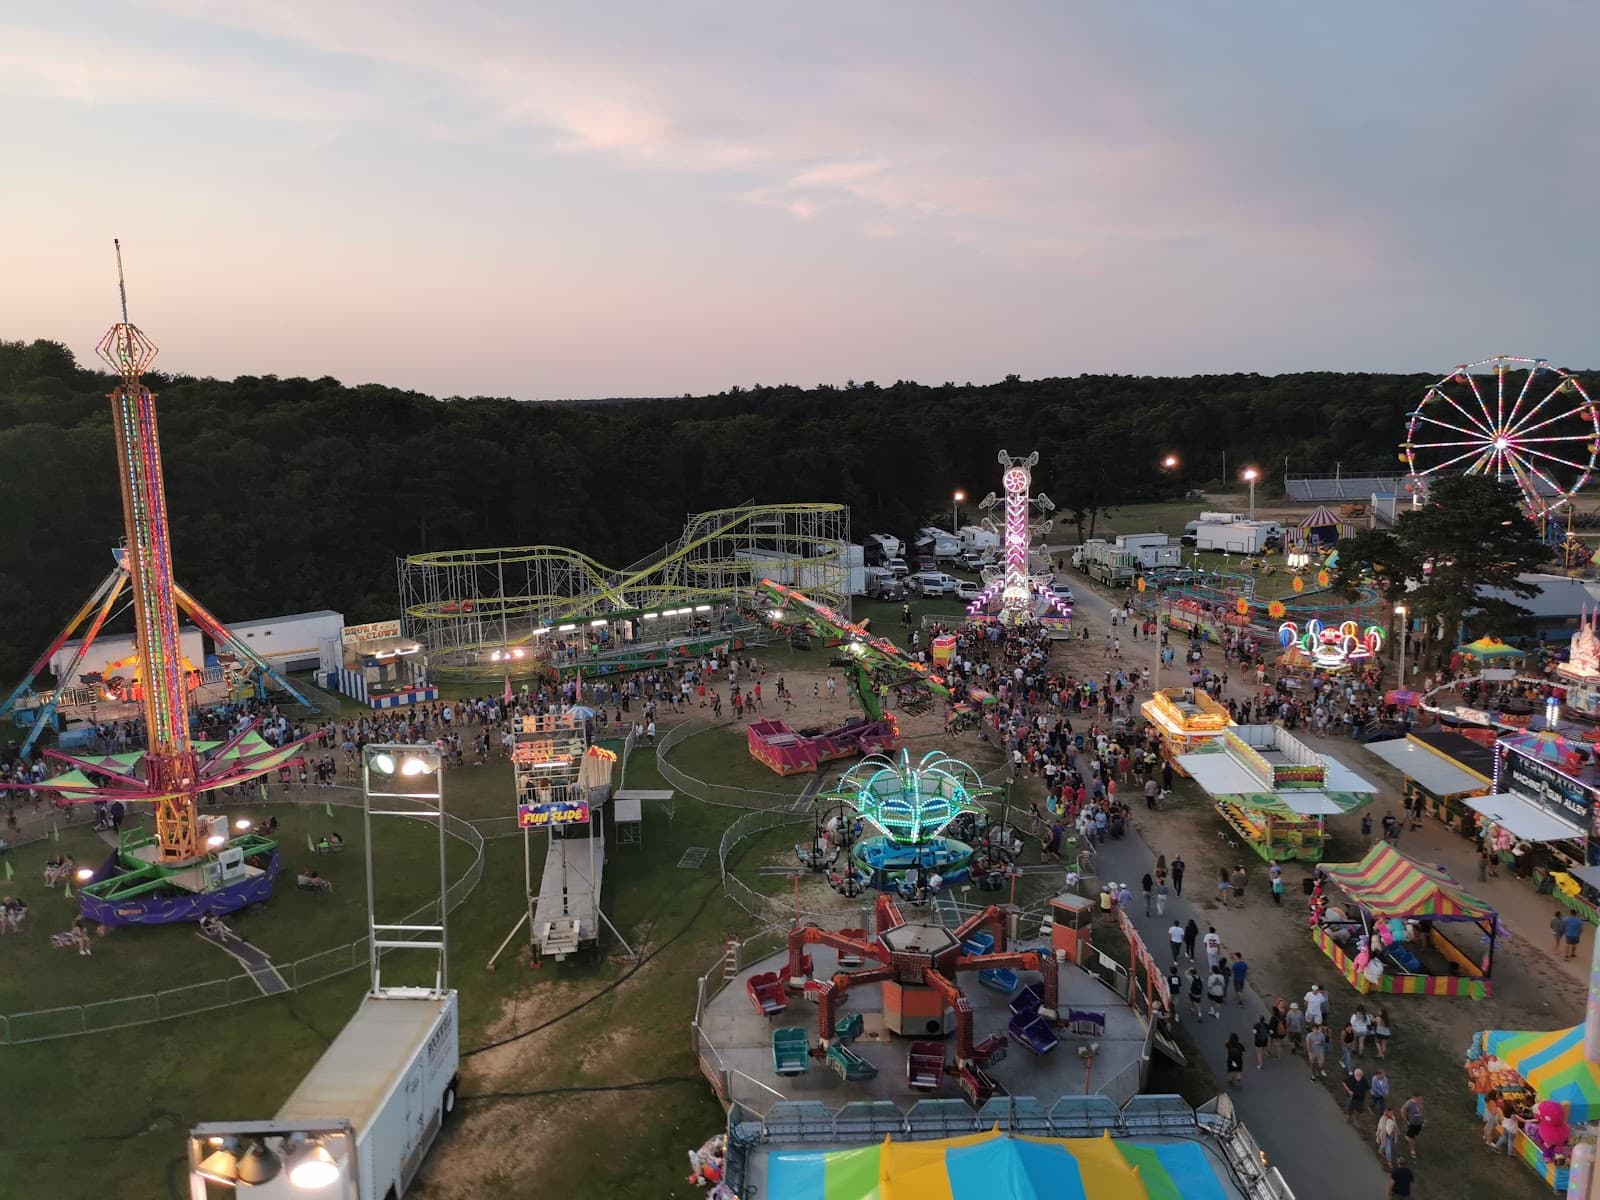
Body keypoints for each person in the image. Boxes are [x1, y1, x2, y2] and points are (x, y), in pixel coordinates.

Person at [1401, 1093, 1424, 1159]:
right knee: (1412, 1138)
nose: (1420, 1100)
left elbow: (1421, 1110)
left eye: (1421, 1098)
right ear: (1414, 1097)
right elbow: (1402, 1111)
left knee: (1415, 1135)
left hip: (1418, 1123)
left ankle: (1407, 1137)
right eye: (1419, 1098)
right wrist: (1406, 1121)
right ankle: (1412, 1151)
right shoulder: (1409, 1104)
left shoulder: (1419, 1103)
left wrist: (1422, 1118)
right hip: (1412, 1123)